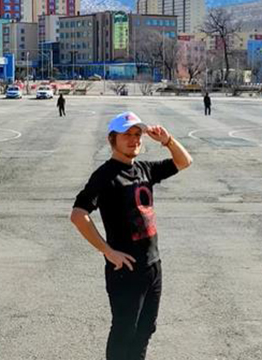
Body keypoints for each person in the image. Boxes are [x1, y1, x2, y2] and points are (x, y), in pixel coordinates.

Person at [70, 111, 193, 360]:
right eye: (127, 135)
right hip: (125, 270)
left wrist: (168, 141)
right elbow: (78, 214)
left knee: (146, 329)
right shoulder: (105, 176)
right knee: (124, 331)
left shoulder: (144, 169)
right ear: (111, 140)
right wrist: (107, 251)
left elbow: (184, 162)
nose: (134, 140)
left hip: (153, 266)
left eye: (137, 135)